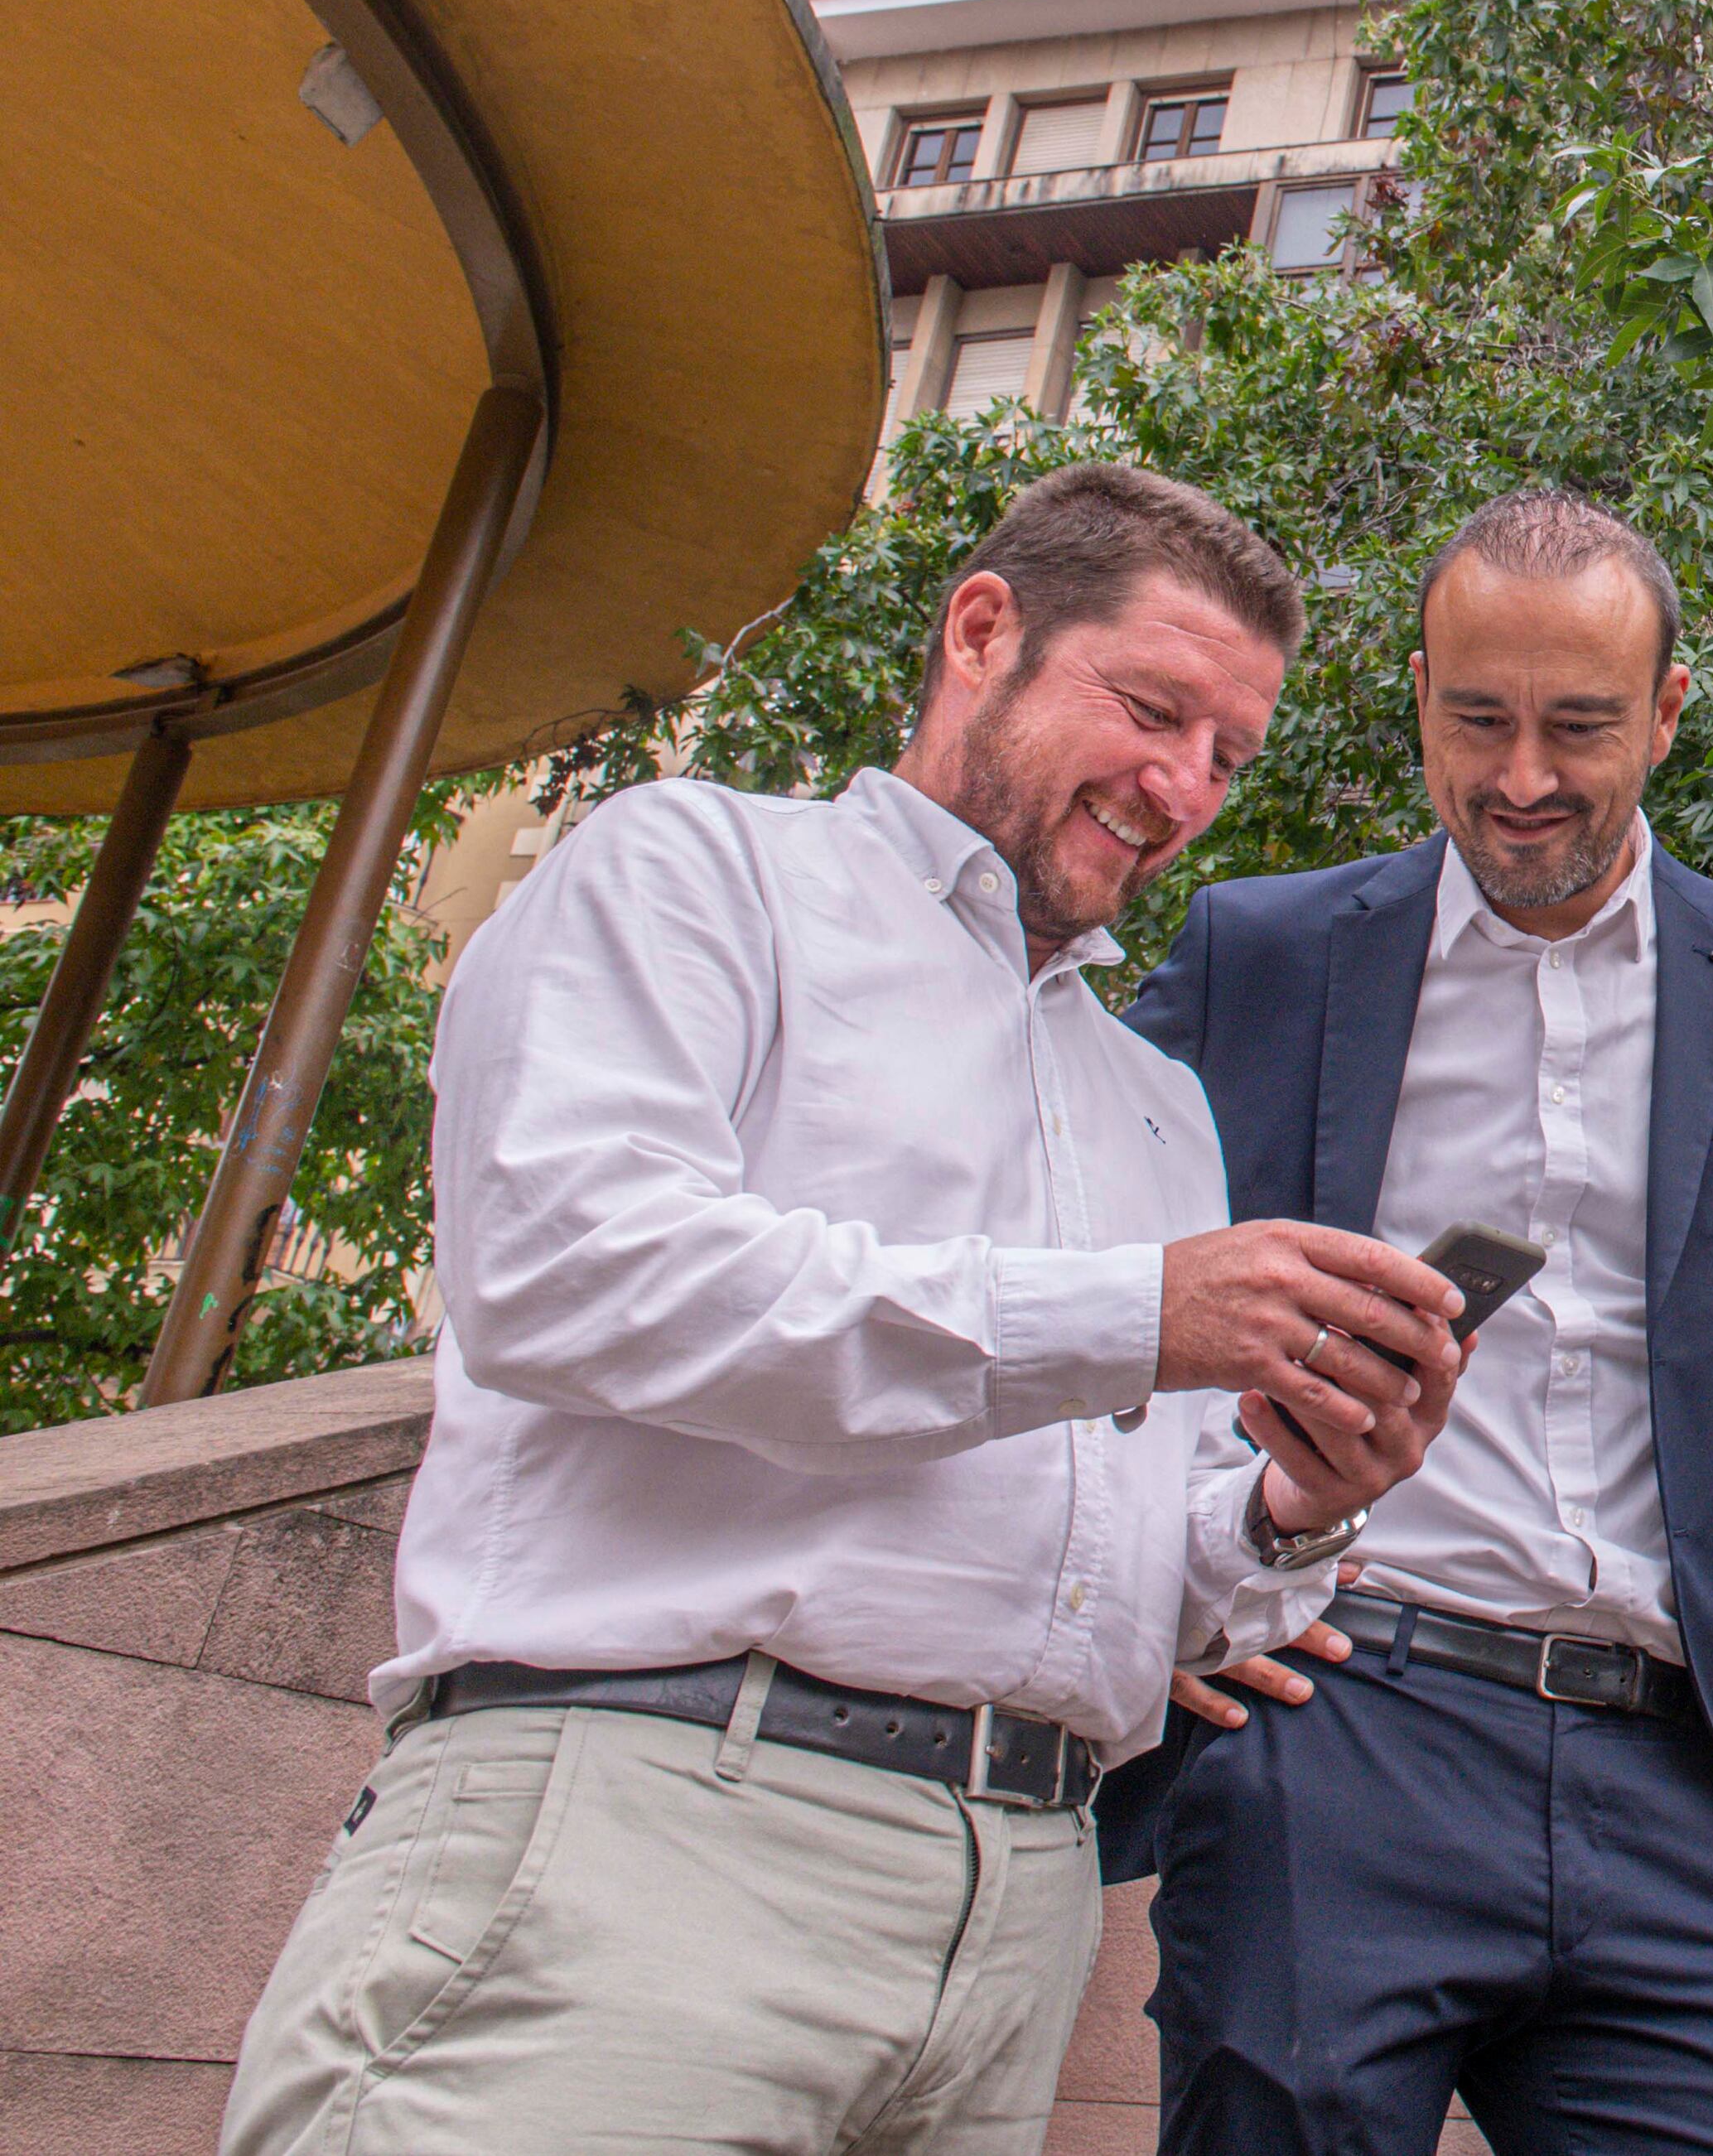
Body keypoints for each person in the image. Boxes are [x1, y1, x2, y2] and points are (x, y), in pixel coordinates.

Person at [224, 461, 1474, 2155]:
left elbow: (1153, 1586)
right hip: (640, 1836)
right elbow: (567, 1270)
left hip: (1021, 1905)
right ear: (981, 629)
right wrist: (1131, 1312)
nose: (1184, 785)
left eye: (1227, 756)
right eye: (1155, 708)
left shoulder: (1160, 1104)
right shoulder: (695, 871)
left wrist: (1290, 1501)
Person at [1106, 487, 1713, 2156]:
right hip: (1341, 1722)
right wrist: (1145, 1608)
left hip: (1690, 1778)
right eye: (1475, 717)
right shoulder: (1262, 952)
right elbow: (1087, 1264)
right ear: (1417, 695)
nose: (1519, 776)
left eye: (1576, 725)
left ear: (1667, 713)